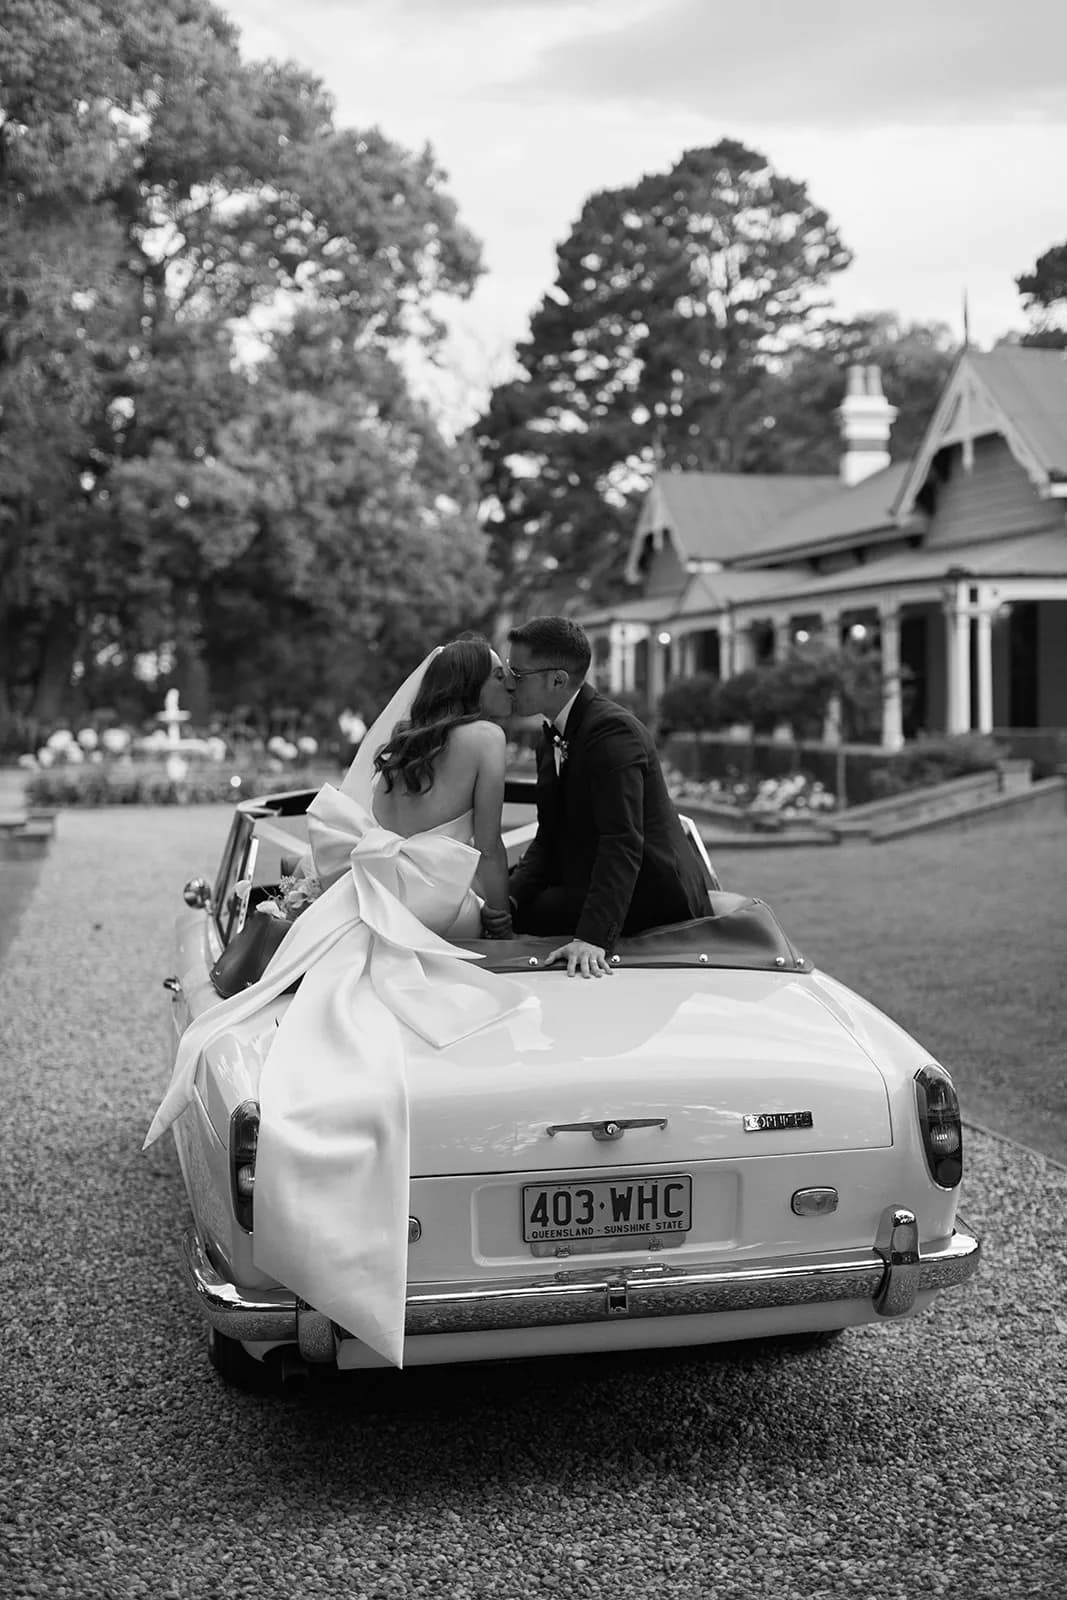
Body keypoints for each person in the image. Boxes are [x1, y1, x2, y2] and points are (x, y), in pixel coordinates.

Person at [143, 637, 526, 1371]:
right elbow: (488, 845)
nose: (506, 686)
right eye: (499, 676)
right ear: (475, 685)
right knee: (470, 929)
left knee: (325, 1011)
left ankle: (299, 1245)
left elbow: (371, 835)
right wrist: (505, 925)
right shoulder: (485, 737)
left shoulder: (400, 750)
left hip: (367, 892)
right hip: (437, 902)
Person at [485, 616, 707, 979]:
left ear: (556, 680)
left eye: (517, 673)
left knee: (526, 917)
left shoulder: (612, 733)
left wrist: (592, 938)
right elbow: (550, 836)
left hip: (655, 892)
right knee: (501, 906)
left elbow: (622, 842)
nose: (509, 682)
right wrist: (509, 898)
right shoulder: (551, 736)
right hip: (592, 875)